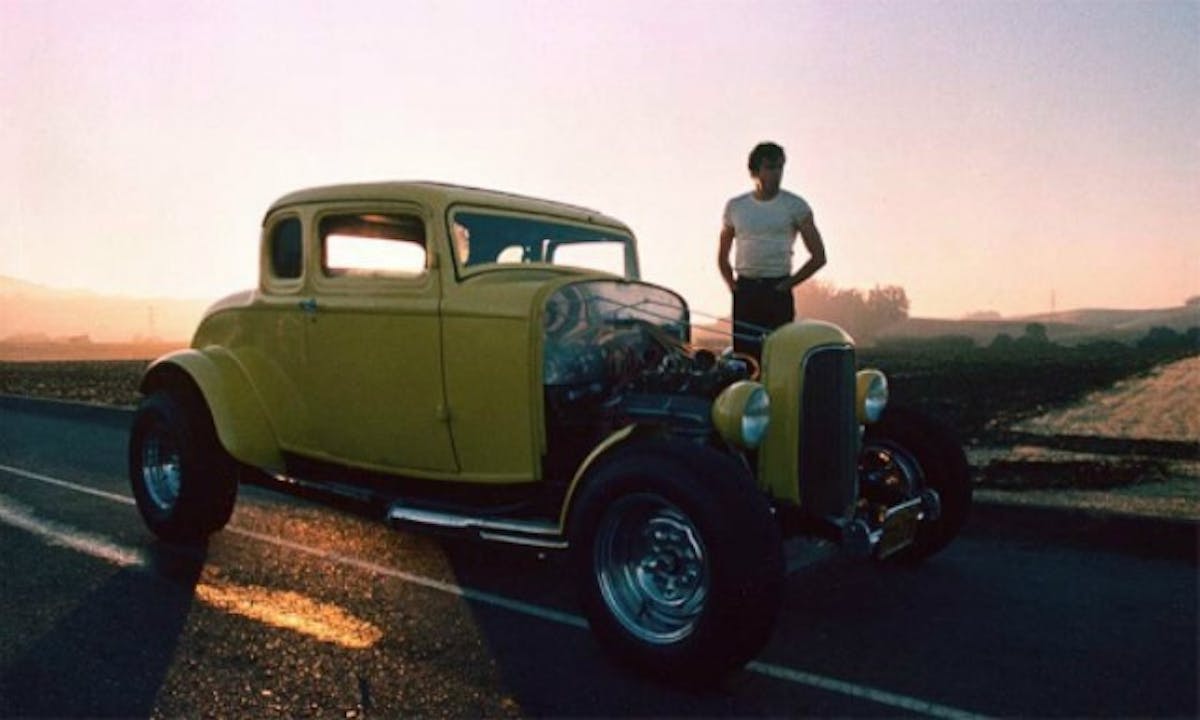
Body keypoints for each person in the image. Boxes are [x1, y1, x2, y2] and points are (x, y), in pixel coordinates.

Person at [718, 141, 826, 357]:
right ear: (755, 172)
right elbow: (722, 255)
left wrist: (786, 285)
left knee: (780, 356)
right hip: (746, 290)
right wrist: (732, 285)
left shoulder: (795, 205)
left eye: (780, 167)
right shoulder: (736, 206)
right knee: (746, 359)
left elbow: (819, 257)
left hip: (777, 290)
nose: (776, 174)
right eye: (769, 168)